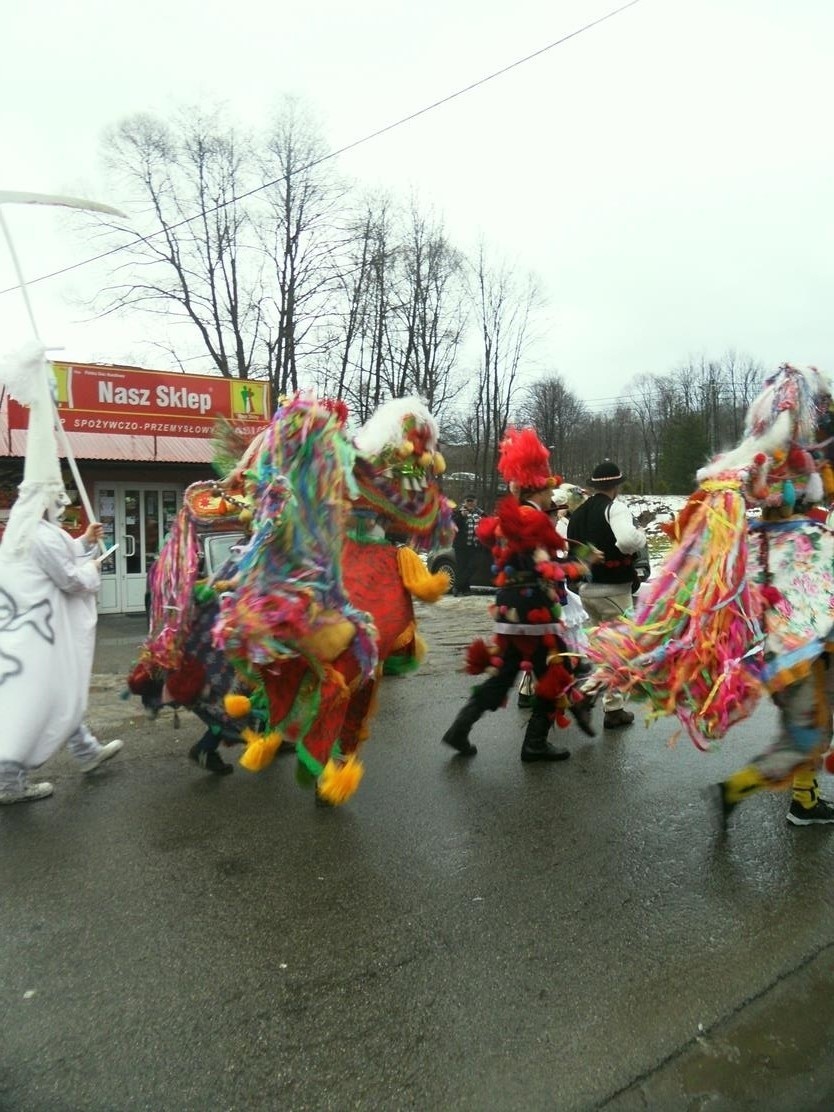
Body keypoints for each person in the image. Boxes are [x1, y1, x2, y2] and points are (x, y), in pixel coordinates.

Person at [587, 364, 834, 830]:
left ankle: (804, 795)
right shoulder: (780, 533)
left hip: (801, 639)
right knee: (808, 730)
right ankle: (747, 792)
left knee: (811, 725)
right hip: (797, 641)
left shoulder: (790, 533)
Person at [0, 346, 122, 804]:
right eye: (56, 495)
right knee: (33, 703)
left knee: (55, 691)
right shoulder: (38, 532)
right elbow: (71, 578)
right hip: (37, 633)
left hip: (26, 630)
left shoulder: (23, 528)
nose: (61, 501)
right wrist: (94, 563)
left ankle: (86, 750)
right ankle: (8, 783)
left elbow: (60, 555)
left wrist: (85, 540)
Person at [441, 428, 595, 763]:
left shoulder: (505, 520)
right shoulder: (532, 519)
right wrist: (579, 566)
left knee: (505, 675)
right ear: (536, 487)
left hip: (510, 610)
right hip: (534, 612)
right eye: (548, 491)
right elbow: (545, 569)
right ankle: (536, 743)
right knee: (559, 672)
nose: (550, 497)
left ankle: (460, 728)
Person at [566, 460, 647, 729]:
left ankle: (613, 708)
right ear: (617, 486)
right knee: (621, 652)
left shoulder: (577, 514)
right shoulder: (616, 508)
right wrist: (641, 538)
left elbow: (573, 553)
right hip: (613, 591)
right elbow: (626, 541)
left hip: (587, 591)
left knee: (605, 652)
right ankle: (588, 695)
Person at [451, 493, 483, 596]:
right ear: (464, 502)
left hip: (474, 545)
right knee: (462, 568)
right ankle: (464, 589)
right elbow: (453, 526)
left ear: (475, 502)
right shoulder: (458, 512)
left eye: (472, 501)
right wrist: (461, 517)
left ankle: (457, 586)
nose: (470, 503)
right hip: (461, 546)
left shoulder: (480, 513)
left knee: (472, 566)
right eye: (468, 501)